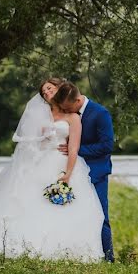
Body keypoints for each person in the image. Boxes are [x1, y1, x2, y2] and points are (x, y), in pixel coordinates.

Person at [0, 78, 104, 261]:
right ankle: (28, 247)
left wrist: (68, 174)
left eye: (50, 88)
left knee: (67, 208)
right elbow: (30, 145)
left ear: (59, 88)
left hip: (62, 163)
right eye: (44, 92)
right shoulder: (40, 115)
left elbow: (74, 147)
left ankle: (66, 250)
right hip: (41, 163)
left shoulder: (73, 117)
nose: (47, 93)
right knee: (32, 202)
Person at [53, 82, 115, 262]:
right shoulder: (68, 112)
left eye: (68, 108)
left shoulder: (100, 113)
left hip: (96, 172)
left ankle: (109, 260)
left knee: (100, 217)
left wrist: (75, 150)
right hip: (72, 172)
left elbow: (106, 146)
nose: (66, 111)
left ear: (78, 100)